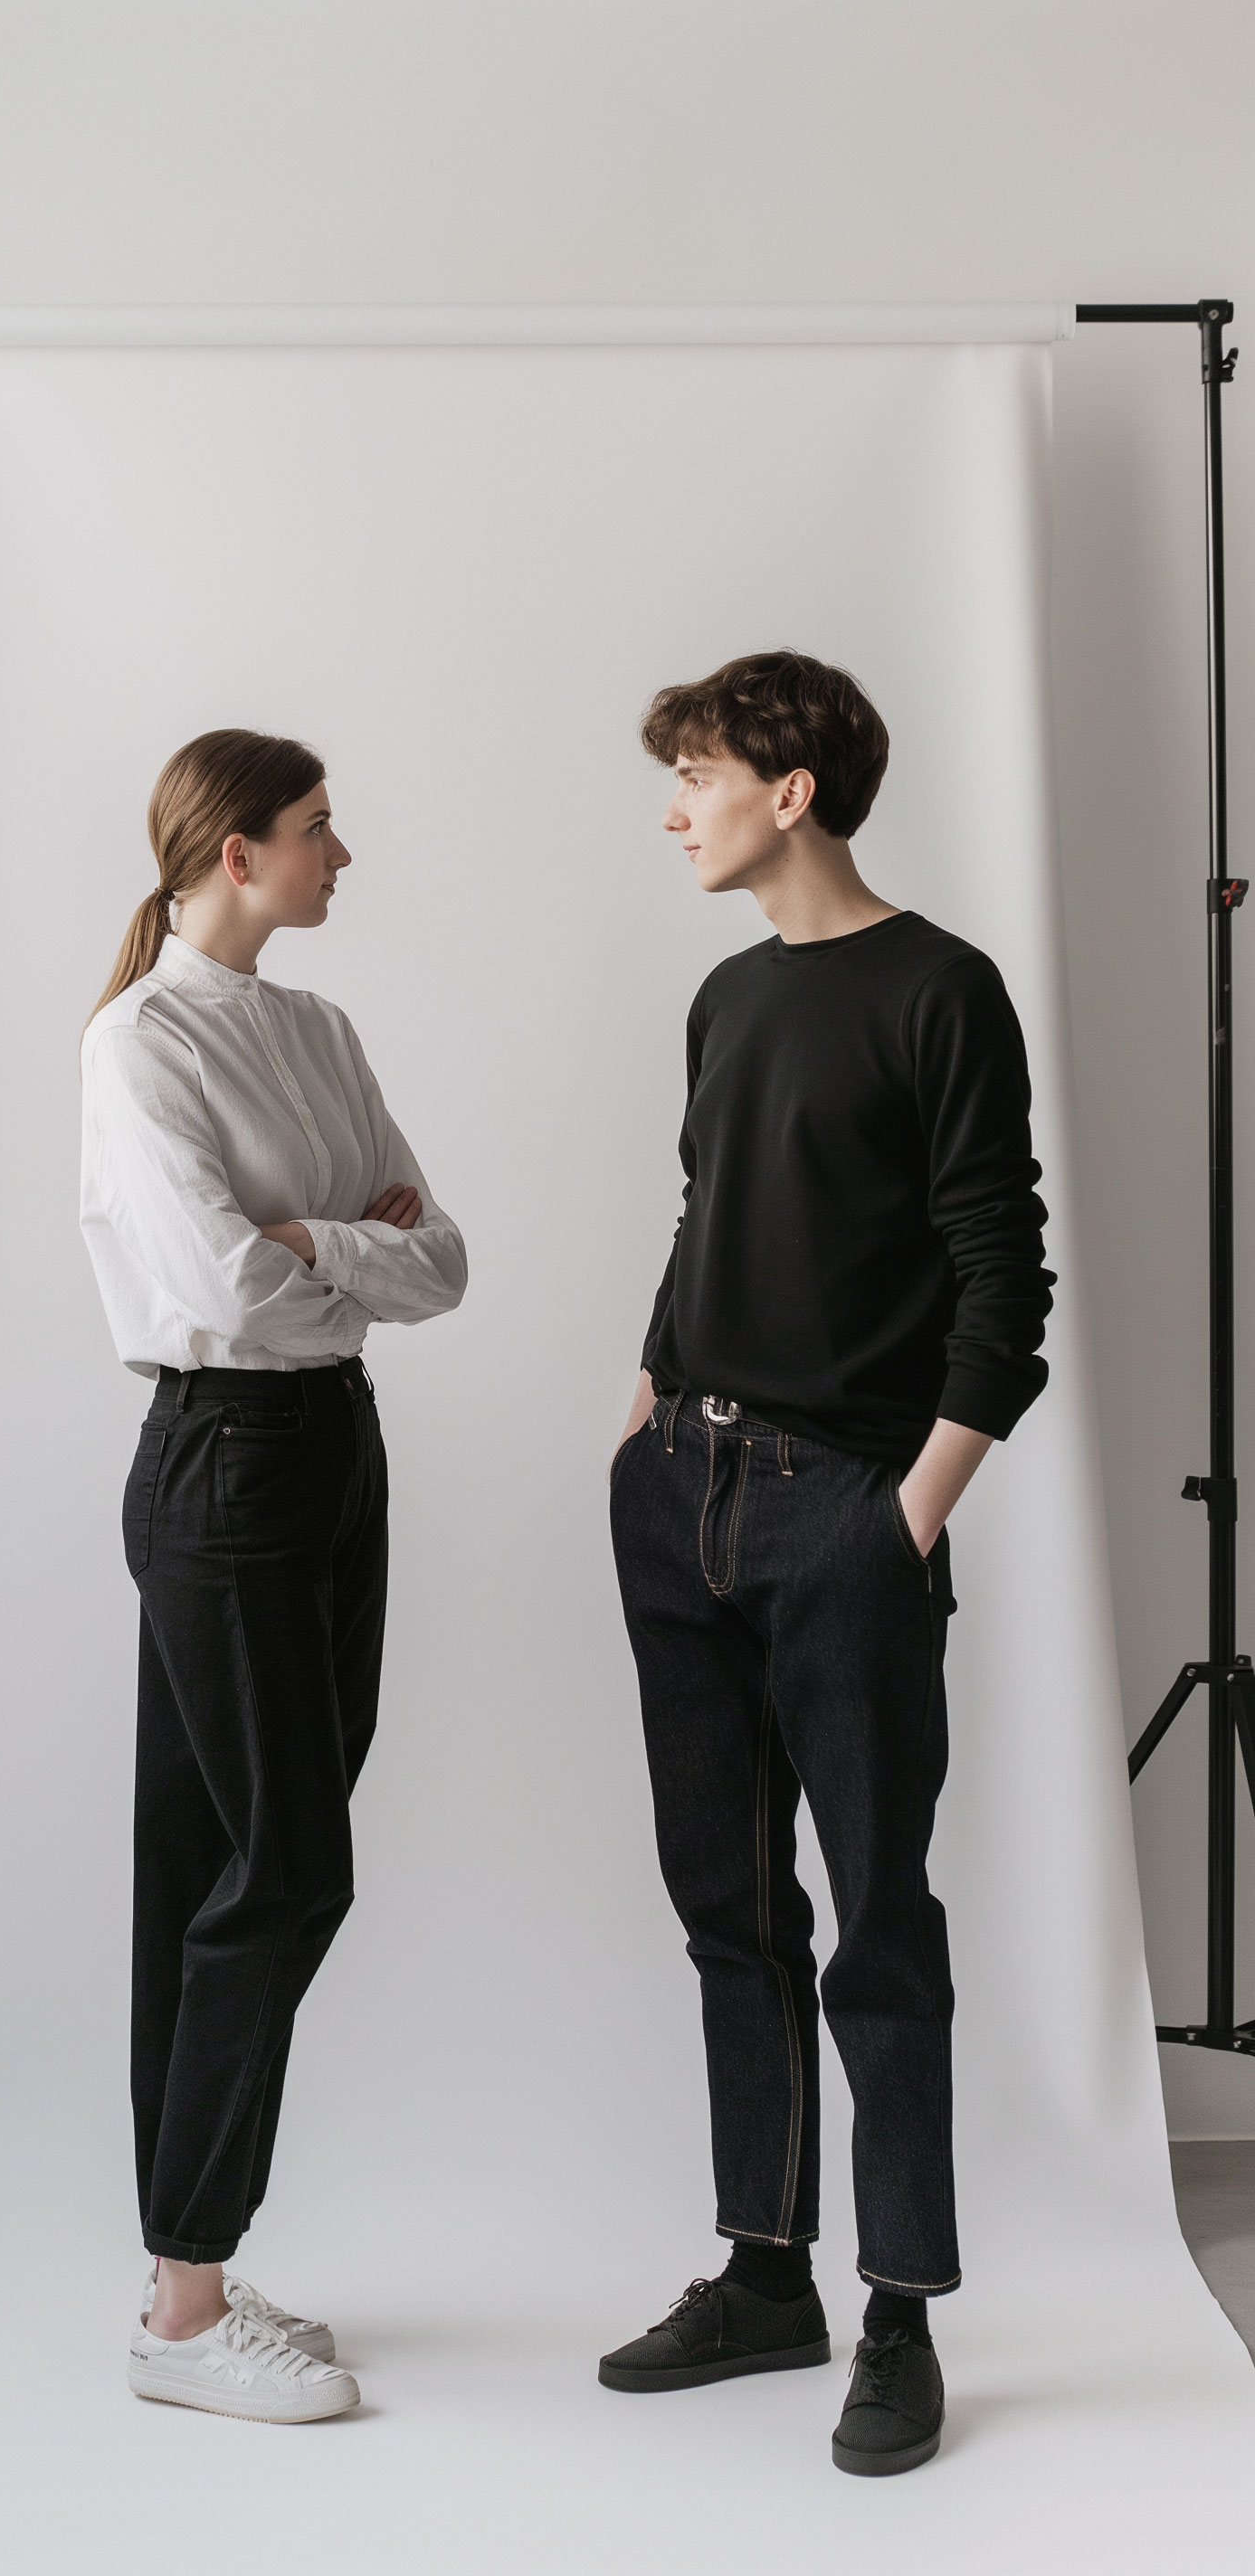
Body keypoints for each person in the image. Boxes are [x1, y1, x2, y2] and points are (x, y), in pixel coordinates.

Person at [599, 650, 1052, 2477]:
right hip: (678, 1494)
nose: (671, 805)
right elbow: (706, 1210)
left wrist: (906, 1509)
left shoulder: (939, 989)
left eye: (693, 772)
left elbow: (998, 1273)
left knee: (875, 1921)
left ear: (787, 790)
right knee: (728, 1909)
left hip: (841, 1511)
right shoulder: (721, 996)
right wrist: (640, 1408)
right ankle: (761, 2267)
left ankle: (896, 2307)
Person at [81, 729, 467, 2422]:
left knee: (222, 1860)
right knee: (281, 1869)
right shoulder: (137, 1039)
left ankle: (187, 2281)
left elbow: (443, 1262)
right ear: (235, 851)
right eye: (318, 830)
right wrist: (330, 1244)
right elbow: (222, 1287)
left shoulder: (316, 1030)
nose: (342, 854)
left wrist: (325, 1247)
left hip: (332, 1450)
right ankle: (183, 2314)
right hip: (219, 1461)